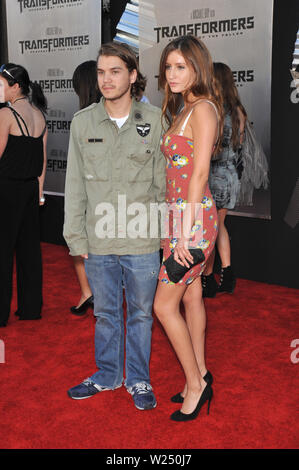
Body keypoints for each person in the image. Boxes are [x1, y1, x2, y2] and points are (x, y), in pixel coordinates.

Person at [63, 42, 166, 410]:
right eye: (101, 72)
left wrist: (166, 238)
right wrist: (74, 236)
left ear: (133, 76)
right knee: (105, 314)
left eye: (115, 71)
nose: (106, 80)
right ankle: (107, 374)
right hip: (98, 240)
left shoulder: (154, 121)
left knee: (140, 315)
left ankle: (138, 378)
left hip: (142, 241)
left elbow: (163, 186)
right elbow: (75, 184)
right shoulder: (82, 122)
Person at [153, 35, 223, 421]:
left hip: (192, 222)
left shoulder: (204, 109)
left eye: (181, 66)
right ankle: (200, 372)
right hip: (177, 218)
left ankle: (196, 384)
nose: (173, 73)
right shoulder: (185, 108)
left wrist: (185, 234)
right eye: (168, 66)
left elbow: (199, 175)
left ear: (198, 68)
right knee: (191, 297)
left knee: (163, 306)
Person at [0, 63, 48, 327]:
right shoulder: (40, 115)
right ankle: (30, 308)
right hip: (30, 190)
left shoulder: (6, 114)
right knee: (30, 251)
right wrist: (39, 194)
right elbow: (41, 163)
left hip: (6, 189)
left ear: (15, 87)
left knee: (2, 251)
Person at [201, 62, 247, 298]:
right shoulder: (238, 109)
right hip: (230, 175)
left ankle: (208, 279)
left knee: (210, 228)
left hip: (216, 175)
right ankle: (227, 275)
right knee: (219, 226)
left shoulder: (216, 111)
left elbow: (213, 149)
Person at [68, 60, 102, 315]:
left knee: (78, 237)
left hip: (92, 195)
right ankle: (90, 292)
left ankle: (88, 291)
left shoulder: (84, 119)